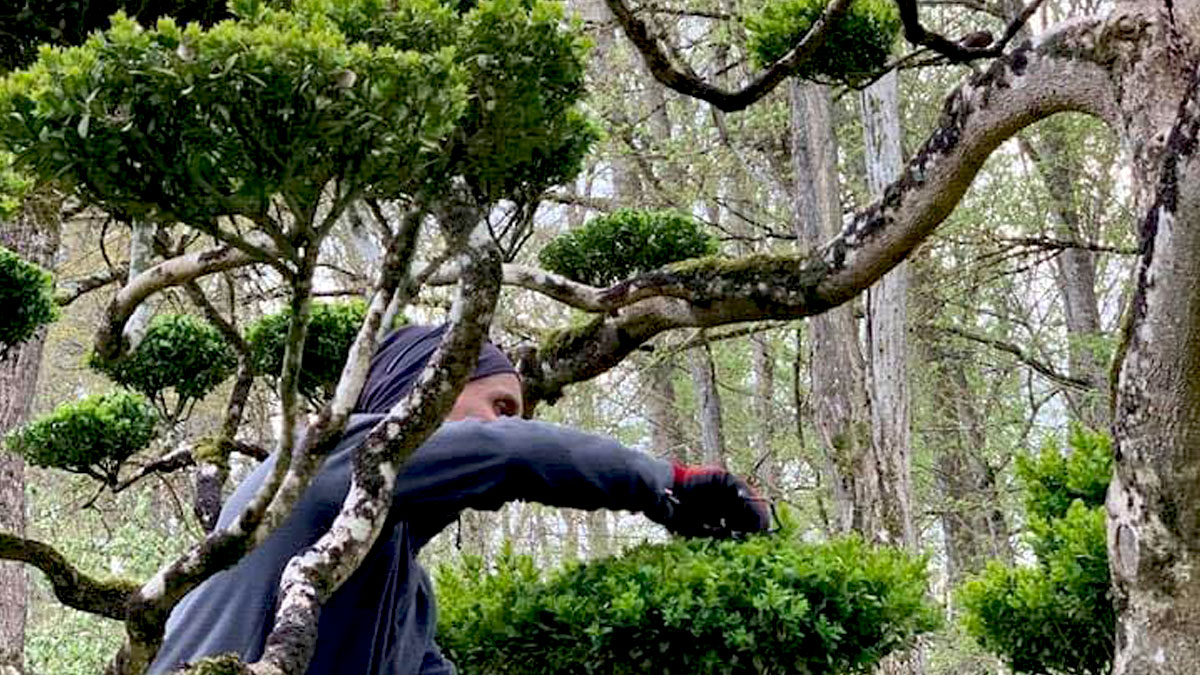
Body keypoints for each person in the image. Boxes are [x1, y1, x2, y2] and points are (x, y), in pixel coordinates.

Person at [149, 324, 769, 675]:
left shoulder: (405, 592)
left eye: (516, 415)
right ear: (421, 396)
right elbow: (512, 455)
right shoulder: (327, 459)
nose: (506, 427)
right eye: (498, 407)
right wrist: (672, 486)